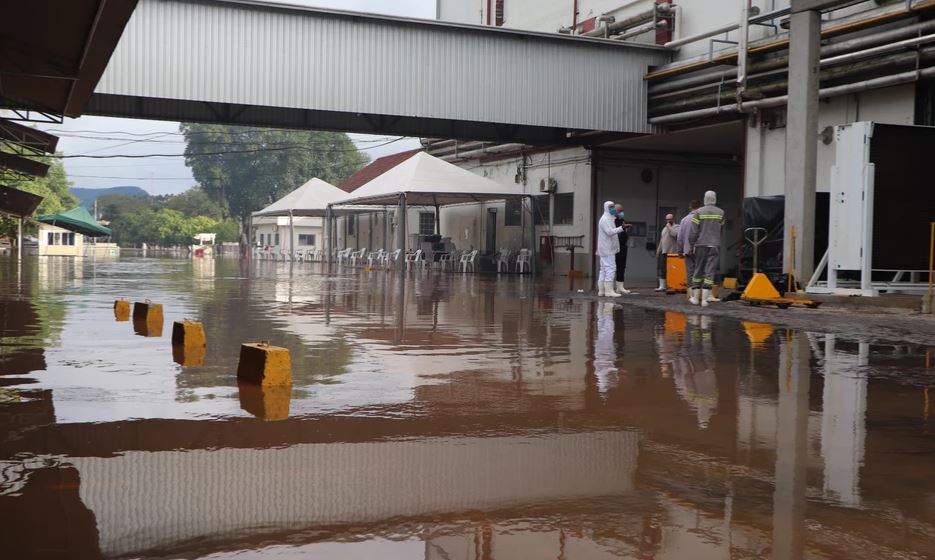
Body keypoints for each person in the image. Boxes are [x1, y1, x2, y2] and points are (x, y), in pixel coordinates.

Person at [688, 190, 725, 307]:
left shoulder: (698, 212)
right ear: (715, 198)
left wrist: (691, 244)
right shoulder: (721, 212)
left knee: (698, 269)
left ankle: (695, 298)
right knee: (710, 270)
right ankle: (705, 299)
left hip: (700, 245)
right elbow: (721, 229)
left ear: (705, 199)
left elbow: (693, 232)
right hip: (714, 245)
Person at [596, 201, 625, 297]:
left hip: (606, 248)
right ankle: (609, 291)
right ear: (606, 208)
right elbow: (609, 232)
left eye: (613, 206)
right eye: (611, 207)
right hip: (607, 248)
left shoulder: (609, 218)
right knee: (611, 268)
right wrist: (622, 228)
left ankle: (602, 291)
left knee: (603, 269)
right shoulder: (604, 219)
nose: (613, 208)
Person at [676, 200, 701, 300]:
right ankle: (698, 293)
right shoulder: (701, 219)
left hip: (687, 250)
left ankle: (690, 293)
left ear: (690, 207)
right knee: (699, 271)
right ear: (700, 207)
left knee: (690, 271)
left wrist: (679, 250)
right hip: (699, 249)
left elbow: (679, 237)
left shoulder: (684, 220)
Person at [655, 213, 679, 292]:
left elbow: (675, 235)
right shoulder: (664, 228)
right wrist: (658, 250)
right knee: (662, 269)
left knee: (672, 270)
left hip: (673, 253)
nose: (668, 221)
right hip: (664, 252)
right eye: (667, 219)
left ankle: (673, 285)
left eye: (670, 219)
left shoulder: (677, 227)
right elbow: (662, 240)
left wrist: (669, 228)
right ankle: (662, 286)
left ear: (673, 219)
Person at [613, 203, 633, 295]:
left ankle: (620, 287)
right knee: (612, 267)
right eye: (620, 211)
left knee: (622, 266)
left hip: (623, 246)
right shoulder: (611, 220)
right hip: (614, 247)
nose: (622, 213)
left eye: (622, 211)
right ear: (615, 211)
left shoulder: (622, 220)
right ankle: (609, 287)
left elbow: (623, 232)